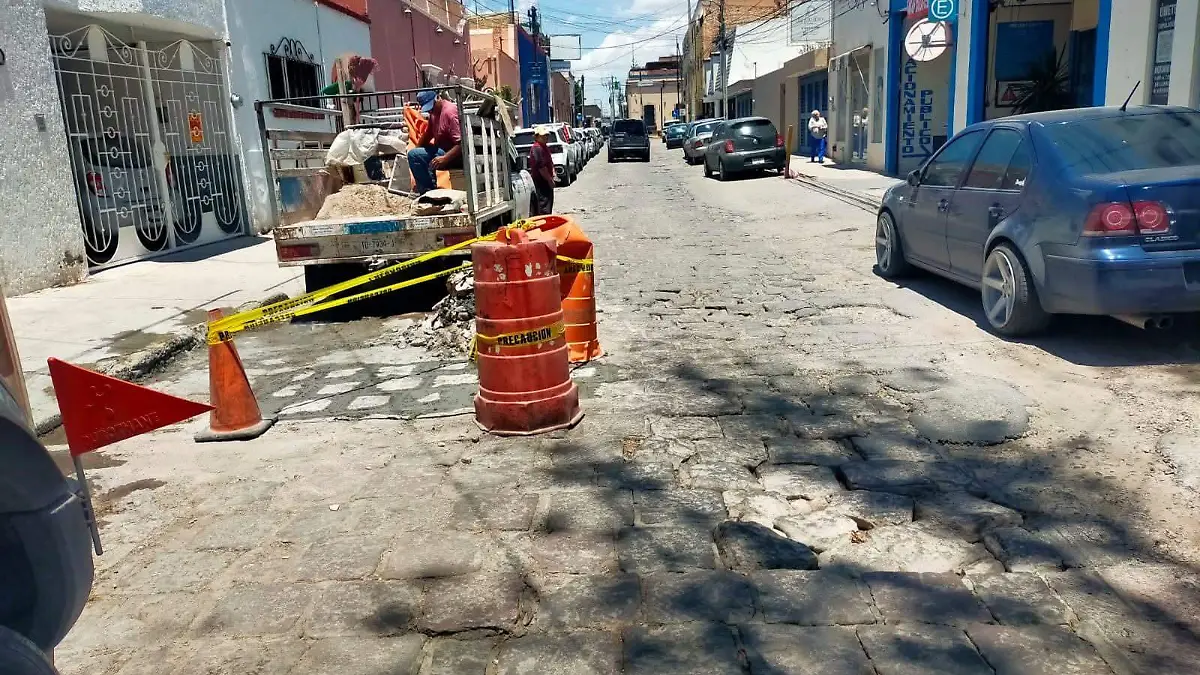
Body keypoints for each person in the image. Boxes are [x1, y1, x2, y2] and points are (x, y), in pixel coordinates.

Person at [407, 90, 462, 194]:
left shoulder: (449, 113)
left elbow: (462, 143)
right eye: (428, 109)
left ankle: (428, 192)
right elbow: (428, 134)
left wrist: (445, 158)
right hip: (443, 151)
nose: (430, 111)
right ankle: (430, 190)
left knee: (415, 155)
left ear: (437, 98)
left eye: (431, 108)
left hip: (456, 155)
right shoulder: (434, 113)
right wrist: (417, 149)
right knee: (416, 155)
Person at [527, 126, 555, 216]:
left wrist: (553, 174)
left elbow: (549, 162)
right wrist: (549, 180)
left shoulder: (544, 147)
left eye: (547, 135)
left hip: (546, 181)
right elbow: (541, 167)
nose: (546, 138)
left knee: (548, 205)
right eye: (543, 136)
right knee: (544, 208)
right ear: (536, 137)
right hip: (541, 182)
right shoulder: (537, 148)